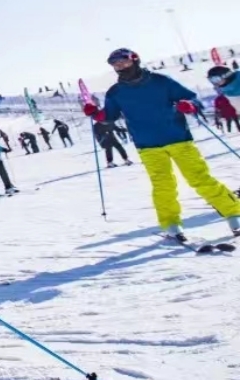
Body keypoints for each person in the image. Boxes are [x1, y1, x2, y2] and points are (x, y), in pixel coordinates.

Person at [86, 48, 240, 239]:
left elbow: (192, 98)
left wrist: (189, 105)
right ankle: (171, 223)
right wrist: (95, 113)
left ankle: (233, 213)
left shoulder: (161, 81)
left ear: (135, 60)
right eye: (115, 64)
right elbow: (109, 116)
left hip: (178, 139)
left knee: (199, 178)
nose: (120, 66)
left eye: (123, 62)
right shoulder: (116, 92)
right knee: (163, 185)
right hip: (147, 145)